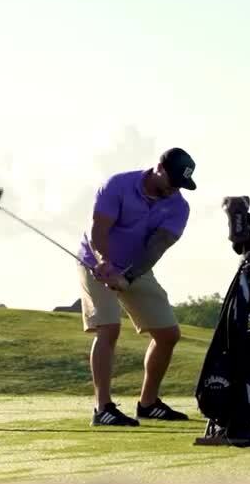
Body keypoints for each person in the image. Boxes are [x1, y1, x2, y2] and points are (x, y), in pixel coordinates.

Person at [75, 147, 196, 426]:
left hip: (136, 268)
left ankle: (148, 403)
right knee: (109, 328)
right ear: (159, 169)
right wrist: (104, 263)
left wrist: (127, 277)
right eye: (173, 181)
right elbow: (99, 229)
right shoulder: (118, 185)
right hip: (94, 262)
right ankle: (103, 409)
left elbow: (156, 248)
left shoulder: (179, 207)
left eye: (181, 184)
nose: (175, 189)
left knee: (168, 334)